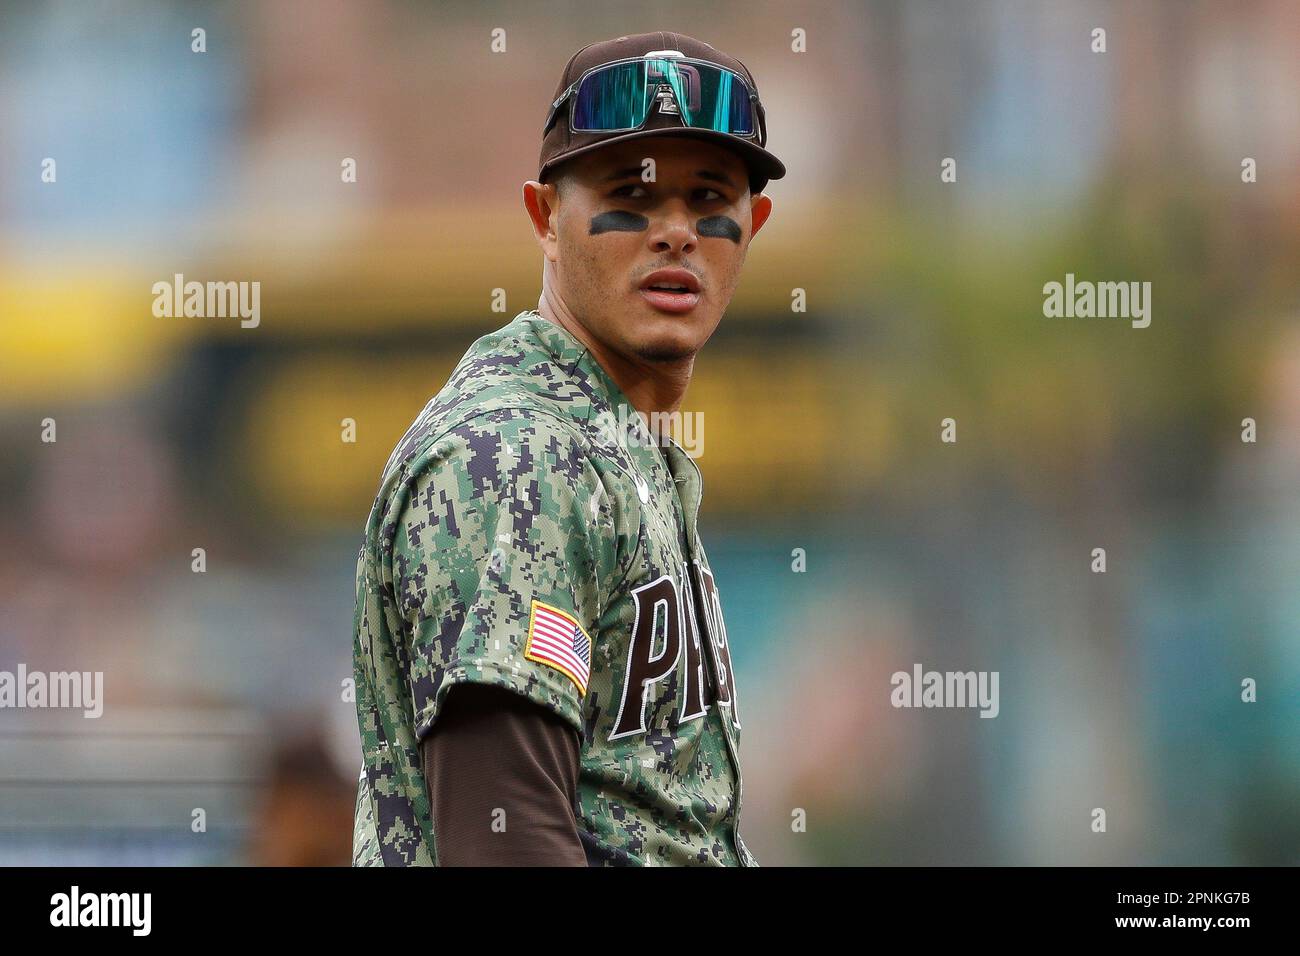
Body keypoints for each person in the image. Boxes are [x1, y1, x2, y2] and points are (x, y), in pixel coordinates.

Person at [352, 30, 783, 866]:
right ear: (546, 216)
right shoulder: (519, 456)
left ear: (752, 225)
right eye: (633, 193)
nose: (676, 233)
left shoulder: (613, 445)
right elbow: (504, 834)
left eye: (708, 199)